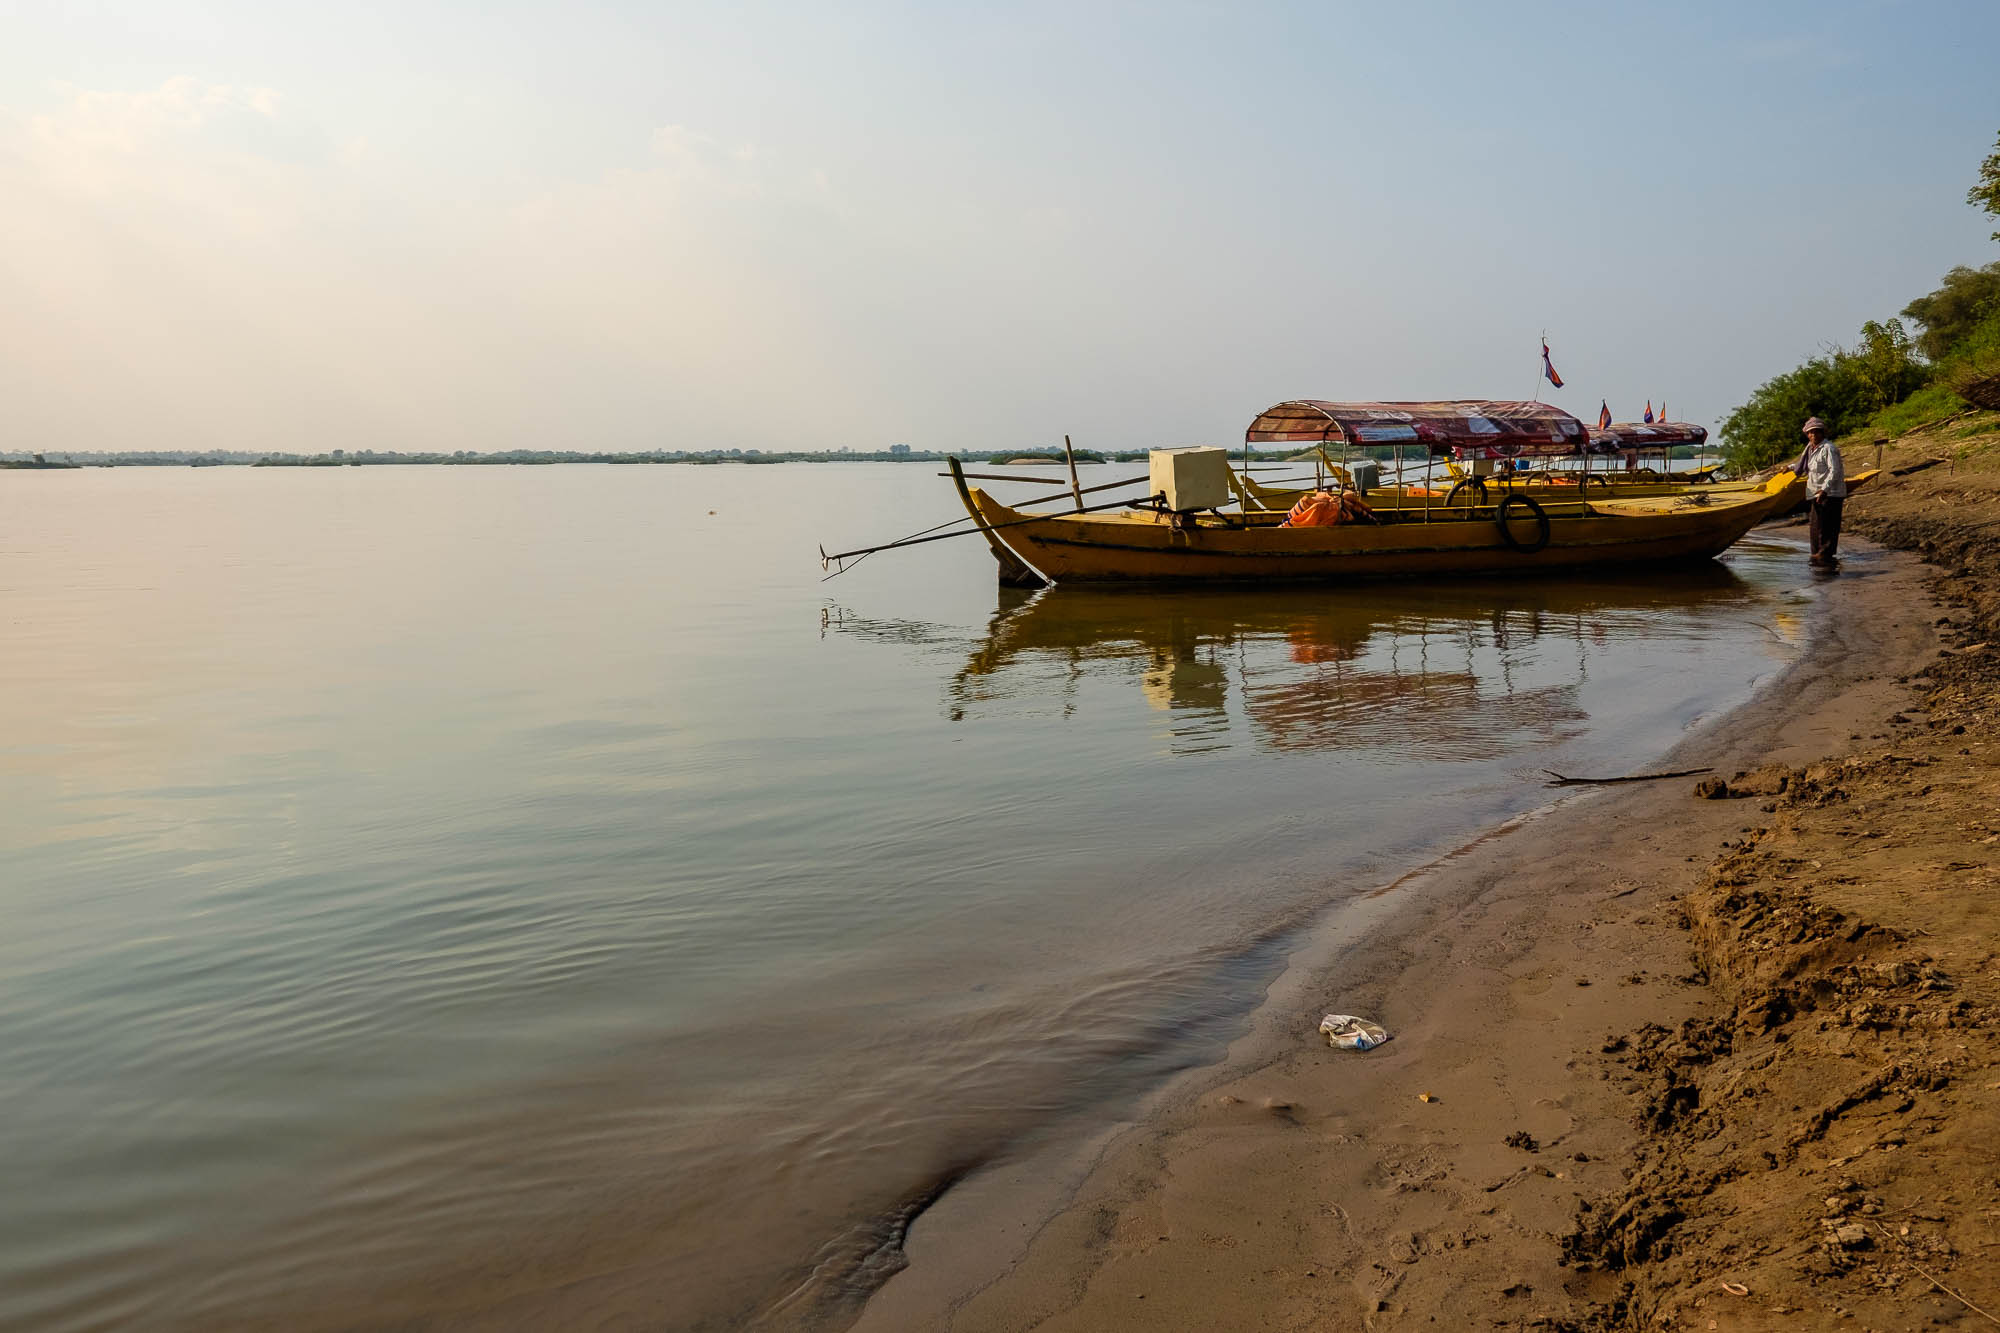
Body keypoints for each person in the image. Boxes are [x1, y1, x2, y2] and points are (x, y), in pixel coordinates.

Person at [1795, 417, 1846, 568]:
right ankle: (1817, 555)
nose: (1813, 435)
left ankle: (1825, 556)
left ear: (1822, 433)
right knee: (1816, 527)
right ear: (1807, 434)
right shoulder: (1810, 449)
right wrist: (1790, 467)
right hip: (1815, 493)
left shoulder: (1829, 448)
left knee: (1827, 527)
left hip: (1830, 493)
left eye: (1816, 432)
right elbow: (1806, 466)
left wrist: (1825, 489)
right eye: (1810, 433)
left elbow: (1834, 470)